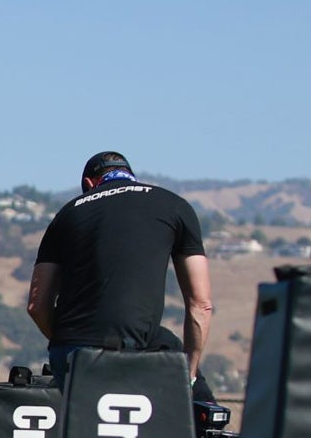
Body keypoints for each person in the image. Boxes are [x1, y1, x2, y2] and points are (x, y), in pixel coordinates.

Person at [27, 150, 214, 386]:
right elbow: (201, 303)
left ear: (88, 184)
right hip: (136, 347)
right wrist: (190, 375)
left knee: (80, 419)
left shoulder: (67, 214)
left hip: (72, 351)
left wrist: (70, 341)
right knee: (187, 384)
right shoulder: (174, 206)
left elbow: (36, 306)